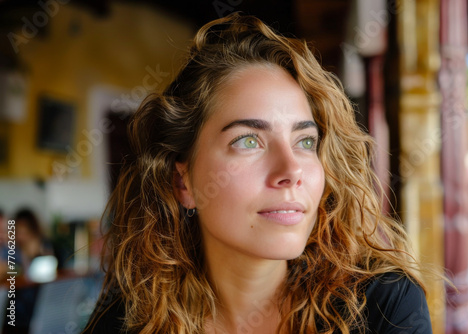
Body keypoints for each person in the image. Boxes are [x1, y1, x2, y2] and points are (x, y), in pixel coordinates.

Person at [83, 13, 432, 334]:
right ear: (182, 182)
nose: (291, 170)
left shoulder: (383, 308)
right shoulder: (128, 319)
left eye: (305, 141)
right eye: (248, 140)